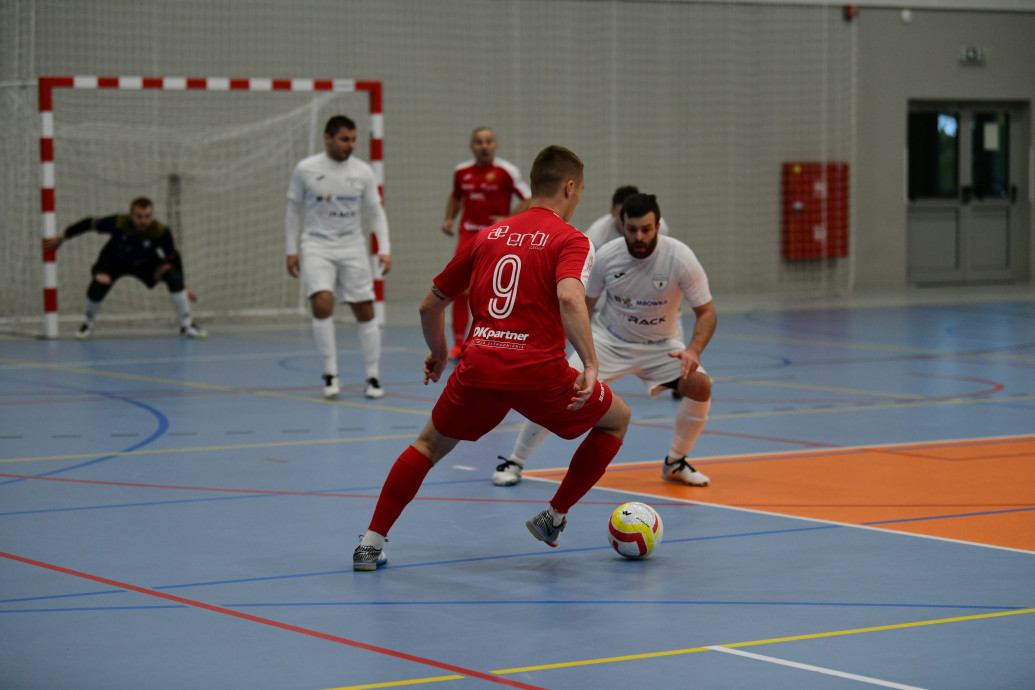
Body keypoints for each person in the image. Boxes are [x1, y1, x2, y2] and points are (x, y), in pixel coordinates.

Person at [354, 145, 631, 571]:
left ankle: (370, 545)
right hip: (538, 372)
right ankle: (553, 516)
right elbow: (570, 299)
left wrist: (438, 353)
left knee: (427, 445)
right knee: (617, 419)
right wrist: (590, 365)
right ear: (570, 187)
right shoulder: (571, 239)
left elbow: (430, 305)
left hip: (479, 365)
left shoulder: (487, 236)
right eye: (580, 191)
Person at [492, 193, 716, 488]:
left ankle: (675, 462)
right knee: (560, 388)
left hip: (662, 347)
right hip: (609, 340)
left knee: (700, 385)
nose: (639, 236)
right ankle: (515, 461)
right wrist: (570, 349)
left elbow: (706, 312)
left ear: (658, 226)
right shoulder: (607, 255)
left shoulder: (680, 257)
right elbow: (582, 306)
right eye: (632, 229)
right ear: (622, 225)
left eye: (646, 229)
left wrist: (693, 350)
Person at [286, 115, 391, 400]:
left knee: (364, 309)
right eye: (344, 139)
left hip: (352, 246)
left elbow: (376, 212)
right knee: (322, 303)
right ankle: (330, 374)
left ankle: (372, 376)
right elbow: (293, 209)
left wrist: (384, 248)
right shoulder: (306, 169)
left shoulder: (363, 171)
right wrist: (291, 250)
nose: (350, 145)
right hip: (316, 245)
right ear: (328, 138)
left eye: (353, 139)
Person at [43, 197, 206, 340]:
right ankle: (88, 324)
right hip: (115, 260)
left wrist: (182, 285)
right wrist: (61, 237)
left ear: (152, 216)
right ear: (131, 215)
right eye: (139, 216)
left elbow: (173, 257)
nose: (143, 221)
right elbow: (89, 223)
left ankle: (187, 325)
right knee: (99, 282)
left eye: (147, 216)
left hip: (145, 263)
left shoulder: (161, 232)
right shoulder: (119, 223)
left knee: (173, 275)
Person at [441, 127, 531, 360]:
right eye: (479, 142)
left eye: (488, 141)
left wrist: (509, 219)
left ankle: (494, 341)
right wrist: (449, 218)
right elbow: (456, 196)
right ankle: (459, 344)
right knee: (461, 289)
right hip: (468, 237)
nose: (484, 146)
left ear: (495, 145)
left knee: (495, 291)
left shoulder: (506, 171)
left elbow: (529, 198)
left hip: (497, 237)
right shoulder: (461, 171)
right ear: (471, 146)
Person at [584, 184, 670, 250]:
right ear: (612, 211)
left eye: (646, 230)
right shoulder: (595, 238)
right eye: (621, 213)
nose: (625, 219)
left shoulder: (658, 227)